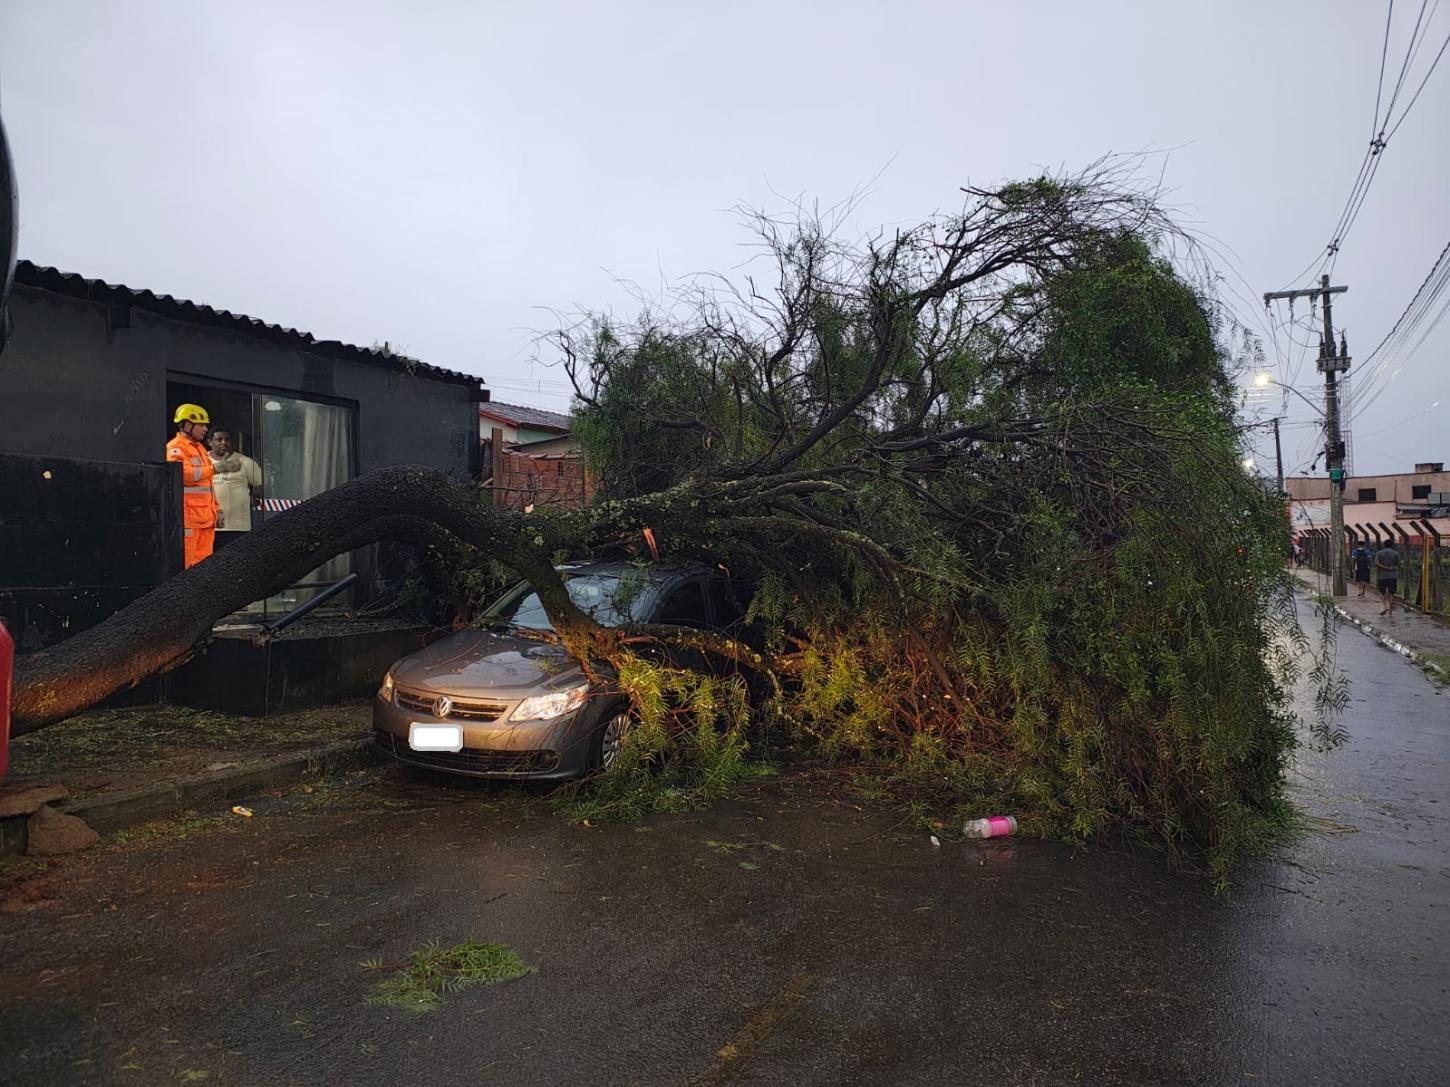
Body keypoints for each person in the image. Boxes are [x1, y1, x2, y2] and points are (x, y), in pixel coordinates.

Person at [166, 403, 222, 567]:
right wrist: (214, 468)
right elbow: (183, 475)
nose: (205, 429)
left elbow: (208, 484)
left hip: (206, 518)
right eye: (202, 425)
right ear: (188, 425)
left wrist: (217, 509)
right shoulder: (175, 448)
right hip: (190, 520)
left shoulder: (200, 448)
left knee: (204, 567)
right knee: (187, 566)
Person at [208, 425, 262, 549]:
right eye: (219, 439)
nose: (224, 443)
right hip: (209, 527)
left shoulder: (245, 462)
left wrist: (255, 496)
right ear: (210, 442)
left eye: (227, 439)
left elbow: (259, 484)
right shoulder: (203, 461)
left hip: (239, 527)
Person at [1374, 538, 1400, 617]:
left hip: (1382, 576)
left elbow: (1376, 563)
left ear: (1383, 545)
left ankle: (1385, 606)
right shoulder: (1396, 553)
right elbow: (1398, 564)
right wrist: (1390, 568)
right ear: (1392, 545)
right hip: (1393, 576)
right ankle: (1390, 613)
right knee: (1391, 593)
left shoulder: (1379, 553)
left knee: (1381, 591)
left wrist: (1384, 568)